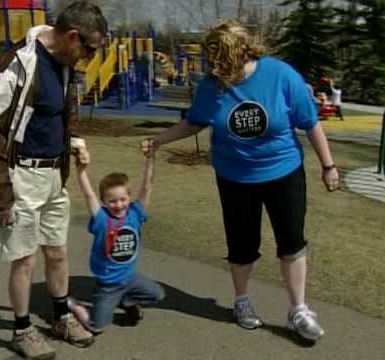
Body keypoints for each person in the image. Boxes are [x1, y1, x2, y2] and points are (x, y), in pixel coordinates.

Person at [142, 19, 340, 343]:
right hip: (234, 177)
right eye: (212, 60)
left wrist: (328, 166)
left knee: (291, 241)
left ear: (241, 54)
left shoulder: (281, 75)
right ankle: (242, 301)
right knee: (242, 244)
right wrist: (158, 140)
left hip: (283, 172)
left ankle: (299, 309)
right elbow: (194, 122)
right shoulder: (212, 85)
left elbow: (310, 123)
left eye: (220, 60)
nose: (215, 67)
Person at [0, 1, 108, 358]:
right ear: (72, 36)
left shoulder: (64, 64)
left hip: (53, 176)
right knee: (24, 258)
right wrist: (0, 196)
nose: (89, 58)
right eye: (89, 49)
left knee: (57, 252)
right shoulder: (19, 64)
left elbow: (65, 110)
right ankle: (22, 329)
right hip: (22, 176)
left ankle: (61, 316)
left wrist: (75, 140)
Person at [68, 140, 165, 334]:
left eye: (122, 199)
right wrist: (81, 171)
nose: (118, 205)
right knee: (97, 326)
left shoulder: (135, 213)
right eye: (112, 201)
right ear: (104, 201)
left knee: (157, 295)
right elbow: (88, 196)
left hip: (129, 278)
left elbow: (147, 187)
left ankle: (127, 300)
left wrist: (150, 160)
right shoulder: (102, 218)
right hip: (108, 285)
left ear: (129, 199)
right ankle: (73, 305)